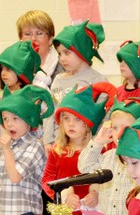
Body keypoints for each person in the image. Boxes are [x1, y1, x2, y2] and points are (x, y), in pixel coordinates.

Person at [78, 97, 140, 214]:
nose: (119, 133)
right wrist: (98, 142)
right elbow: (84, 167)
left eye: (125, 128)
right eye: (115, 127)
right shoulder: (108, 157)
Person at [42, 82, 116, 211]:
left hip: (92, 210)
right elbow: (47, 181)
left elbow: (106, 180)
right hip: (65, 210)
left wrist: (96, 193)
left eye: (77, 119)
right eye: (66, 118)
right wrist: (64, 195)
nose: (70, 124)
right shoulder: (57, 151)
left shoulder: (98, 151)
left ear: (88, 124)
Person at [43, 20, 108, 153]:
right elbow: (51, 113)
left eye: (67, 53)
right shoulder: (58, 80)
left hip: (86, 147)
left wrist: (95, 145)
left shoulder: (98, 81)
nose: (62, 58)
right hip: (60, 146)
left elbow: (103, 118)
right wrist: (48, 140)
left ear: (82, 51)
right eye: (60, 53)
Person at [0, 84, 54, 214]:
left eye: (15, 118)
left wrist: (6, 150)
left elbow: (16, 177)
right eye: (5, 119)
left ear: (29, 119)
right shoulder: (7, 145)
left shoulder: (34, 145)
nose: (9, 124)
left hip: (24, 211)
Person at [16, 10, 64, 89]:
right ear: (21, 39)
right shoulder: (14, 68)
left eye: (39, 33)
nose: (33, 39)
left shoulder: (65, 66)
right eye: (28, 34)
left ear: (50, 39)